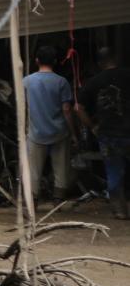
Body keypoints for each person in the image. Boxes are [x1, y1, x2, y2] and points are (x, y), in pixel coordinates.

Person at [78, 47, 130, 219]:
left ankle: (120, 211)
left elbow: (78, 108)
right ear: (115, 58)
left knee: (114, 171)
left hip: (108, 134)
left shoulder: (93, 82)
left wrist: (92, 126)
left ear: (99, 63)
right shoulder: (127, 75)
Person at [24, 45, 77, 201]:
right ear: (55, 61)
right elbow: (67, 110)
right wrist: (73, 133)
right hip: (59, 132)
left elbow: (22, 107)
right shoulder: (62, 82)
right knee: (61, 169)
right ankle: (58, 202)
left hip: (35, 133)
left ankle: (33, 202)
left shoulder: (26, 81)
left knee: (33, 171)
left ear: (36, 61)